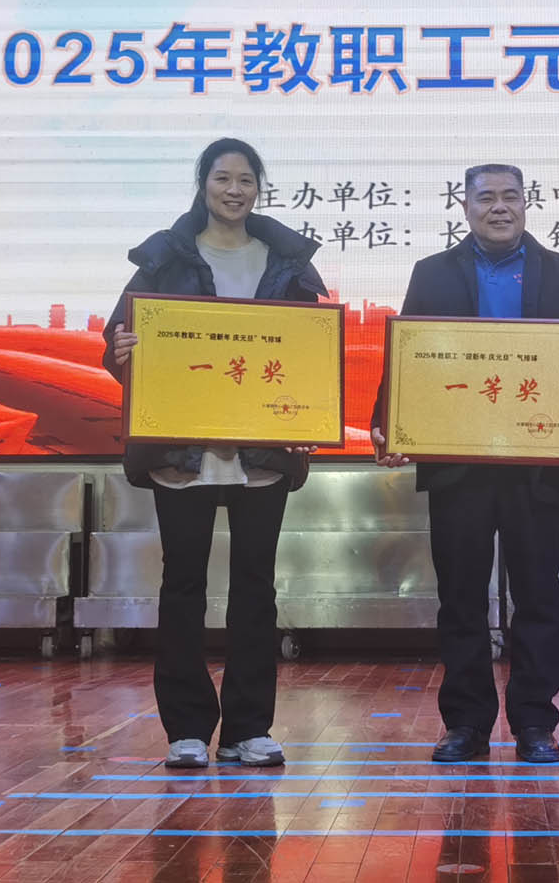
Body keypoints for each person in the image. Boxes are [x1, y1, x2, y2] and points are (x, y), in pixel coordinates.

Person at [102, 138, 326, 770]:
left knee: (256, 588)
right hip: (183, 452)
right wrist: (122, 352)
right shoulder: (164, 258)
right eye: (223, 178)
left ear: (259, 188)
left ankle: (249, 729)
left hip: (261, 456)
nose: (235, 190)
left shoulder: (287, 263)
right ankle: (187, 730)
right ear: (203, 184)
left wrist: (308, 414)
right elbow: (119, 344)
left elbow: (308, 356)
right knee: (183, 586)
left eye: (246, 180)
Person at [372, 164, 559, 765]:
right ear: (465, 207)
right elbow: (411, 353)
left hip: (538, 464)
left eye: (510, 197)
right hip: (459, 465)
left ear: (527, 203)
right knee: (460, 598)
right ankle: (466, 723)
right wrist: (388, 421)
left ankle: (535, 722)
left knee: (538, 595)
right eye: (486, 198)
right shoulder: (432, 272)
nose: (499, 207)